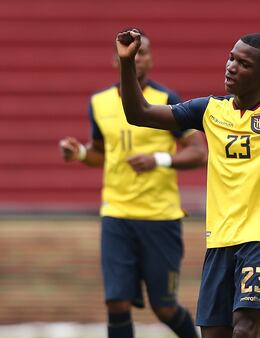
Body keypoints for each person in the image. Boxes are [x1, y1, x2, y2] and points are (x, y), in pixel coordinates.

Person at [115, 29, 260, 338]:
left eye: (244, 64)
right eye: (231, 58)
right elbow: (138, 113)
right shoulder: (210, 110)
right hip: (220, 241)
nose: (232, 67)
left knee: (245, 329)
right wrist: (126, 62)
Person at [59, 29, 206, 338]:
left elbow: (198, 152)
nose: (137, 58)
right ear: (116, 59)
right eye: (131, 52)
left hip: (159, 216)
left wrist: (159, 159)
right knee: (116, 301)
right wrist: (81, 153)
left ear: (151, 60)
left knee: (164, 307)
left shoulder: (167, 100)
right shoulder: (98, 103)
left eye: (143, 52)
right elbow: (101, 153)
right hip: (117, 213)